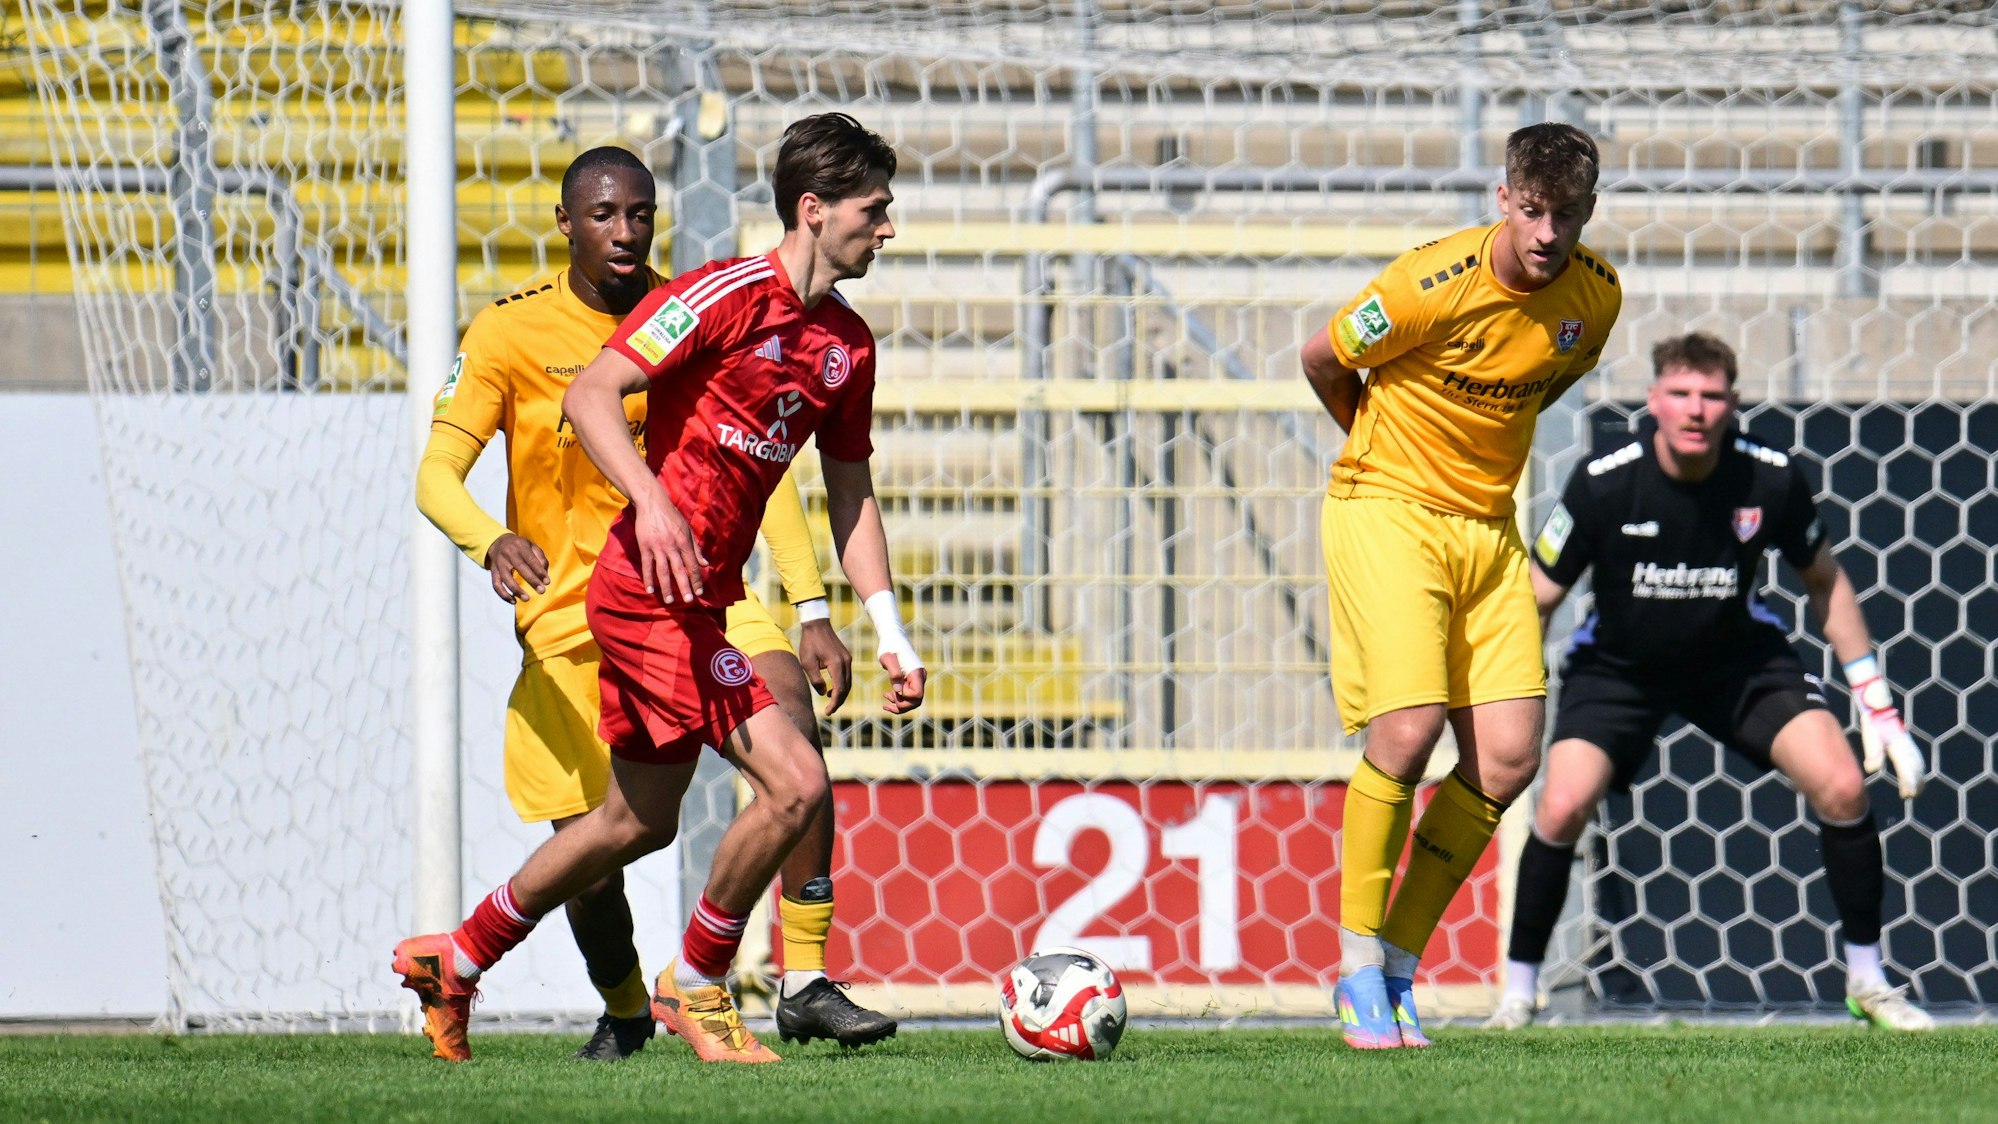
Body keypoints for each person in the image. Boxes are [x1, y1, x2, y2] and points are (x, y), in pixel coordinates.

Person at [395, 114, 925, 1064]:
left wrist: (882, 626)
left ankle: (460, 956)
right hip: (640, 595)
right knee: (794, 778)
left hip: (704, 598)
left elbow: (844, 491)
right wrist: (651, 506)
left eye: (642, 212)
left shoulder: (846, 344)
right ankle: (701, 981)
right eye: (873, 209)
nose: (887, 229)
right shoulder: (715, 296)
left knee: (633, 823)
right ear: (813, 210)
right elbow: (591, 394)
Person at [1485, 332, 1931, 1032]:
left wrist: (1876, 704)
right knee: (1561, 806)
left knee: (1844, 786)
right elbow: (1538, 595)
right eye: (1682, 394)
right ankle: (1518, 992)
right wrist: (1500, 697)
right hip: (1619, 670)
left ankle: (1869, 981)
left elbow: (1826, 582)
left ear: (1733, 403)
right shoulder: (1604, 480)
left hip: (1738, 664)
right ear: (1655, 401)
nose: (1696, 410)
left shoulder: (1770, 476)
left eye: (1712, 395)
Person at [1300, 122, 1623, 1049]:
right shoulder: (1427, 283)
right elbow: (1323, 358)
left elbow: (1544, 381)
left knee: (1510, 758)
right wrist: (1377, 442)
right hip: (1388, 509)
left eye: (1565, 214)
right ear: (1502, 200)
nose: (1546, 232)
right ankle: (1357, 969)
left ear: (1588, 213)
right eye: (1531, 210)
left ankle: (1401, 965)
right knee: (1406, 733)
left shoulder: (1594, 299)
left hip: (1487, 528)